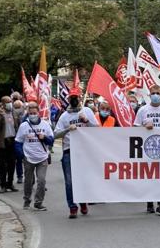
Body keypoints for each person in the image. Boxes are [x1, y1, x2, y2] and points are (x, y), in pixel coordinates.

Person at [54, 85, 98, 219]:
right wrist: (67, 129)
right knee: (69, 181)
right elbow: (55, 134)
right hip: (69, 151)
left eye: (76, 97)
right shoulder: (64, 116)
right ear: (68, 99)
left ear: (80, 98)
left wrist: (86, 121)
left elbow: (97, 128)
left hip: (85, 151)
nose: (74, 99)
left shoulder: (87, 111)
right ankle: (72, 207)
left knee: (84, 179)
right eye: (71, 98)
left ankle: (83, 201)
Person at [134, 85, 160, 216]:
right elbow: (134, 129)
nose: (155, 95)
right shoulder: (142, 110)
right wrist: (144, 127)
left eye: (158, 93)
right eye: (153, 93)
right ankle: (149, 202)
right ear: (149, 95)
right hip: (147, 149)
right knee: (148, 176)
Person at [15, 101, 54, 211]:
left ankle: (38, 202)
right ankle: (27, 200)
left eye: (34, 113)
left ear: (38, 113)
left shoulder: (45, 125)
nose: (33, 115)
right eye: (30, 113)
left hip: (42, 157)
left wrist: (45, 138)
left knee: (41, 181)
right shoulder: (24, 126)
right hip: (28, 157)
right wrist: (22, 155)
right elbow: (18, 141)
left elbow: (51, 140)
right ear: (28, 113)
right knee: (28, 181)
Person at [0, 96, 19, 193]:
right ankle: (3, 184)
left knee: (12, 163)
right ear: (3, 104)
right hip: (3, 141)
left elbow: (17, 125)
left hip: (12, 140)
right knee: (3, 164)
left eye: (11, 101)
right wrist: (1, 118)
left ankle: (10, 183)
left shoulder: (14, 113)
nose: (10, 103)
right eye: (8, 102)